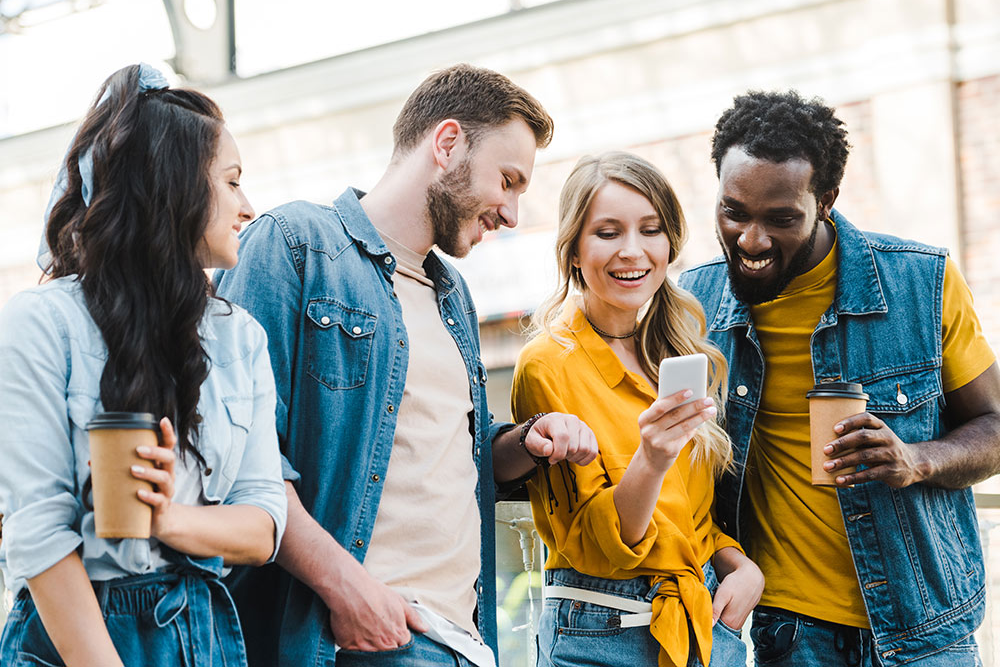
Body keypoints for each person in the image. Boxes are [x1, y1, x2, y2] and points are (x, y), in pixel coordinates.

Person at [214, 63, 598, 667]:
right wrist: (352, 591)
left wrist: (526, 442)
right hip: (357, 638)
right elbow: (240, 455)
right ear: (447, 144)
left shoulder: (453, 296)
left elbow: (441, 457)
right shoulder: (294, 244)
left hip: (463, 641)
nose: (512, 212)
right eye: (508, 180)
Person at [678, 90, 1000, 666]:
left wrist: (917, 459)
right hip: (787, 633)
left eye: (781, 219)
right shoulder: (693, 305)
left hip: (928, 630)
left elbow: (995, 426)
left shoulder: (920, 285)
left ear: (826, 199)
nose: (751, 240)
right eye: (734, 212)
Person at [0, 64, 287, 667]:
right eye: (232, 183)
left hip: (202, 632)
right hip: (74, 638)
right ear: (175, 185)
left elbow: (263, 526)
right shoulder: (41, 324)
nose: (248, 206)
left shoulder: (242, 339)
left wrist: (169, 519)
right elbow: (41, 538)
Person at [511, 151, 763, 667]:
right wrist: (651, 458)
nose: (633, 251)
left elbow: (686, 517)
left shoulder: (676, 353)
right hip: (602, 632)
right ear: (574, 251)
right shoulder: (547, 366)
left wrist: (738, 566)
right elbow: (591, 543)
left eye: (651, 230)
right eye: (607, 232)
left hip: (705, 628)